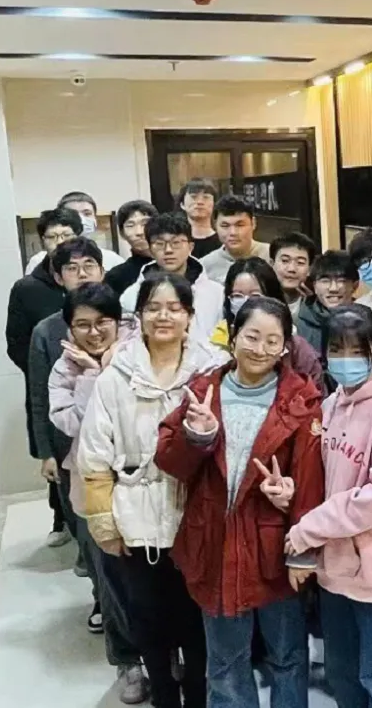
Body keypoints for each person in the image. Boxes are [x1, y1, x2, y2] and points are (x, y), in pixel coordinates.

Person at [155, 296, 325, 708]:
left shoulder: (302, 401)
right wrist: (198, 438)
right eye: (252, 336)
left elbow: (311, 482)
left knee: (287, 655)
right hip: (215, 545)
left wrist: (302, 545)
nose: (260, 349)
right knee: (225, 662)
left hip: (274, 547)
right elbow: (170, 462)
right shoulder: (203, 391)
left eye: (272, 341)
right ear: (233, 337)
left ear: (285, 347)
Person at [78, 271, 219, 708]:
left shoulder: (213, 370)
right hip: (135, 516)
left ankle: (198, 695)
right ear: (138, 316)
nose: (163, 317)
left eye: (174, 308)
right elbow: (94, 456)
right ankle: (164, 694)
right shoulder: (115, 377)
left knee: (196, 619)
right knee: (147, 618)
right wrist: (104, 524)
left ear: (190, 315)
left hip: (196, 516)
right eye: (153, 308)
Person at [286, 305, 372, 708]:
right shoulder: (330, 405)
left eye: (355, 349)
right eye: (336, 349)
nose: (345, 359)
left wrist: (310, 528)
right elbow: (324, 480)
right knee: (343, 677)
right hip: (335, 572)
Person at [48, 283, 146, 704]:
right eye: (82, 325)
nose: (93, 332)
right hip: (92, 487)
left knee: (157, 577)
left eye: (102, 322)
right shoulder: (63, 369)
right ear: (70, 328)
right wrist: (92, 374)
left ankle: (165, 651)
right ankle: (128, 661)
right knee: (112, 582)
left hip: (145, 484)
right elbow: (73, 423)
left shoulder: (141, 353)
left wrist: (105, 367)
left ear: (118, 321)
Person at [28, 237, 106, 584]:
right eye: (72, 268)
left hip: (114, 445)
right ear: (59, 278)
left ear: (102, 271)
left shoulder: (122, 320)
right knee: (83, 525)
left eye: (89, 265)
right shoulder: (46, 331)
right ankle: (98, 594)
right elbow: (38, 396)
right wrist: (45, 452)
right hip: (67, 444)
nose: (82, 274)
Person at [7, 206, 83, 547]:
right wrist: (46, 369)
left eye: (66, 234)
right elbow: (16, 343)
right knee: (58, 460)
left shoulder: (95, 285)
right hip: (49, 384)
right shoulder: (27, 288)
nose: (59, 241)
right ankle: (62, 521)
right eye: (52, 236)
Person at [210, 257, 323, 390]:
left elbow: (315, 393)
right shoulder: (216, 342)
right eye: (237, 296)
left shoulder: (297, 350)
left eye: (255, 296)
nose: (246, 302)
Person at [119, 212, 225, 347]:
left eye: (176, 243)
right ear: (150, 249)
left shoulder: (217, 293)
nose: (168, 250)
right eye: (159, 243)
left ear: (190, 247)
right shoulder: (131, 296)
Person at [24, 192, 125, 274]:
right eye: (73, 213)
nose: (81, 219)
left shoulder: (113, 260)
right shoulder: (38, 261)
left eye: (87, 213)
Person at [296, 250, 359, 357]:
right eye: (325, 281)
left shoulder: (365, 320)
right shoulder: (298, 324)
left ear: (355, 285)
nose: (333, 288)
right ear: (314, 286)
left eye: (341, 281)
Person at [200, 194, 271, 283]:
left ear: (253, 223)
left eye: (240, 225)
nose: (233, 232)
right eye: (225, 226)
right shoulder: (204, 266)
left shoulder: (272, 256)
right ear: (215, 226)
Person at [105, 200, 159, 295]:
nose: (139, 232)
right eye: (130, 225)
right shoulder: (116, 276)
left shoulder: (174, 263)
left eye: (145, 224)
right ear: (122, 233)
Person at [271, 232, 316, 319]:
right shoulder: (260, 302)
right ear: (272, 264)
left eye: (300, 262)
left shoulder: (318, 307)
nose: (291, 269)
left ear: (309, 269)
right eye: (285, 261)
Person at [178, 178, 222, 259]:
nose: (200, 202)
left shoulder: (223, 240)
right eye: (193, 197)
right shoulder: (176, 242)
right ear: (182, 204)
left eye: (206, 197)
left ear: (214, 204)